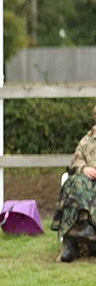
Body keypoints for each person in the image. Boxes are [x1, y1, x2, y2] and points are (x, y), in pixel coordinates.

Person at [51, 103, 96, 262]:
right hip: (87, 182)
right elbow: (75, 160)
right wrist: (84, 168)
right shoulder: (87, 140)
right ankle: (72, 241)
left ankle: (80, 235)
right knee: (73, 183)